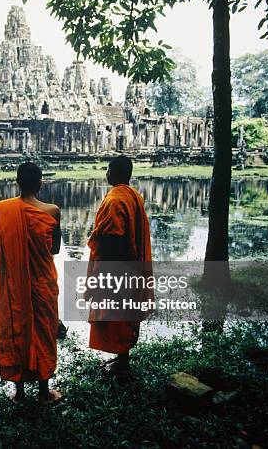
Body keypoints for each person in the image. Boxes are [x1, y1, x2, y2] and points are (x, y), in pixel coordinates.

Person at [0, 162, 62, 404]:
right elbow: (55, 249)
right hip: (42, 284)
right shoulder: (52, 211)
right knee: (43, 331)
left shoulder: (0, 210)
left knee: (16, 328)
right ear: (41, 182)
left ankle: (19, 393)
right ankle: (43, 391)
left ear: (17, 182)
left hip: (14, 286)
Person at [86, 156, 152, 374]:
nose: (106, 174)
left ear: (113, 173)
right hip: (131, 264)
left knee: (118, 315)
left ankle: (122, 363)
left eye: (107, 169)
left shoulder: (115, 199)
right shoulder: (134, 195)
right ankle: (122, 359)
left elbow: (112, 236)